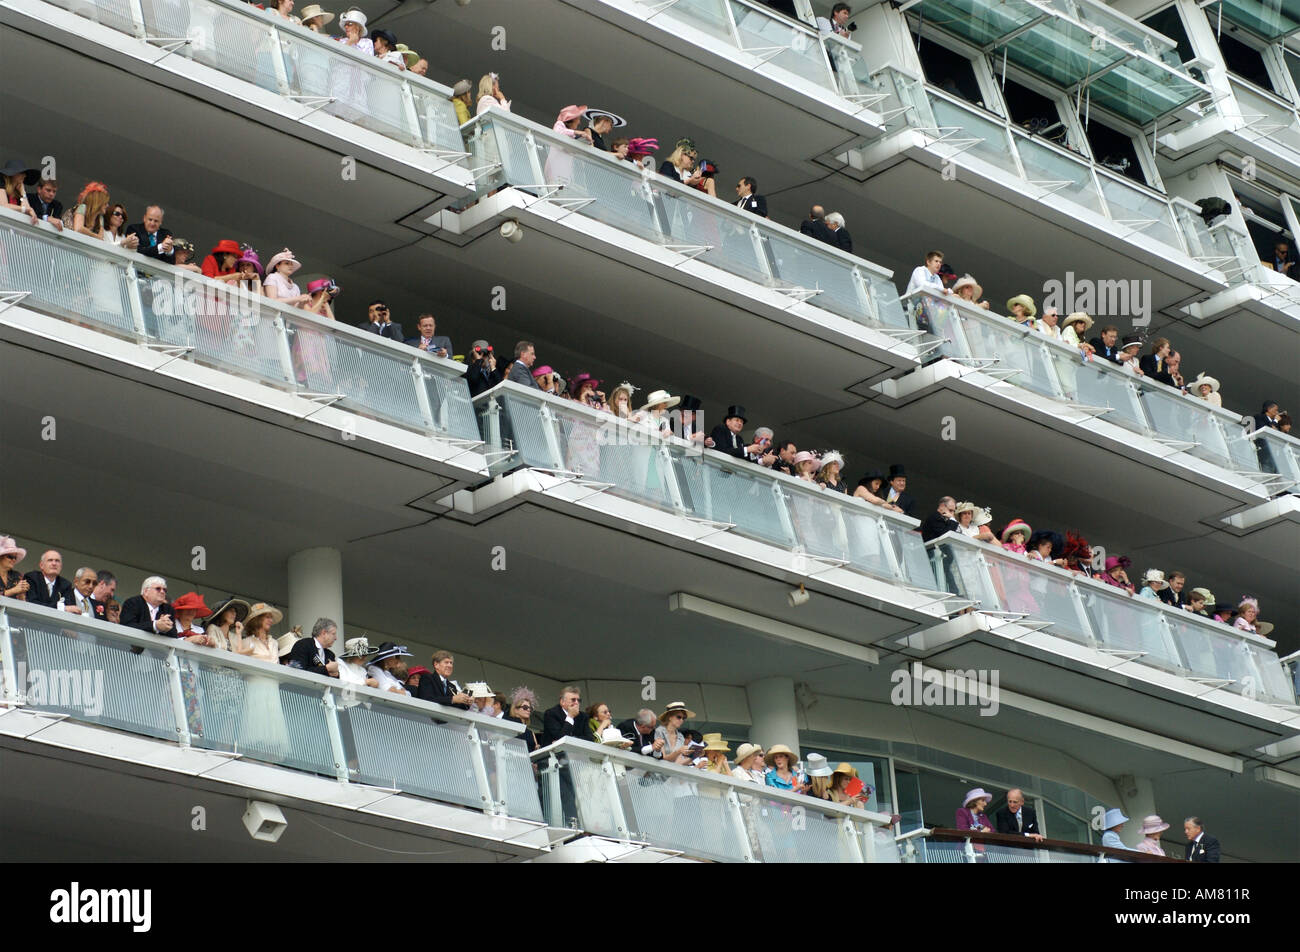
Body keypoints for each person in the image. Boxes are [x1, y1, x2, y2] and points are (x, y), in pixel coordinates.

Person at [232, 602, 290, 758]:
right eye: (267, 617)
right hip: (256, 686)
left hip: (272, 687)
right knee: (257, 728)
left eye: (271, 617)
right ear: (257, 620)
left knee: (273, 732)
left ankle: (269, 764)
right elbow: (237, 657)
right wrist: (238, 634)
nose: (270, 620)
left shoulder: (274, 643)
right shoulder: (249, 641)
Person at [1, 159, 38, 226]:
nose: (25, 176)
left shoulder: (19, 192)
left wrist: (23, 192)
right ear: (13, 174)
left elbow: (26, 212)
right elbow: (3, 206)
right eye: (22, 173)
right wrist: (25, 209)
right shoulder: (1, 184)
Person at [506, 688, 540, 753]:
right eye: (525, 707)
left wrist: (536, 749)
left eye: (530, 708)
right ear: (515, 709)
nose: (528, 710)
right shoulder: (509, 725)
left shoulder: (530, 732)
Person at [0, 536, 30, 601]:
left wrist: (21, 594)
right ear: (0, 557)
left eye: (15, 557)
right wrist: (14, 590)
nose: (13, 560)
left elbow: (23, 603)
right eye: (10, 557)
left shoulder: (17, 576)